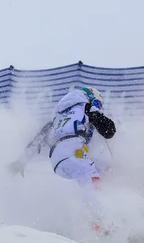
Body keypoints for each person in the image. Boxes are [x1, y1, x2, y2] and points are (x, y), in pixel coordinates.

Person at [7, 86, 116, 234]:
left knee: (99, 172)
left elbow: (37, 141)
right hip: (73, 149)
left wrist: (20, 161)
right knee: (91, 180)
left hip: (57, 160)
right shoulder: (87, 107)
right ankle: (103, 223)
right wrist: (98, 114)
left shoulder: (57, 118)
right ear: (91, 98)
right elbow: (109, 131)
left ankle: (91, 220)